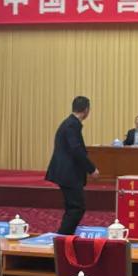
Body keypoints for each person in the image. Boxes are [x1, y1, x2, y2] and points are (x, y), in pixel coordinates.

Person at [45, 95, 99, 235]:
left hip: (67, 173)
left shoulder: (70, 123)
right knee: (76, 208)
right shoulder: (71, 125)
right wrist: (91, 169)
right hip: (68, 174)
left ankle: (64, 237)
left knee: (72, 208)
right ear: (86, 110)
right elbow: (76, 150)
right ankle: (62, 238)